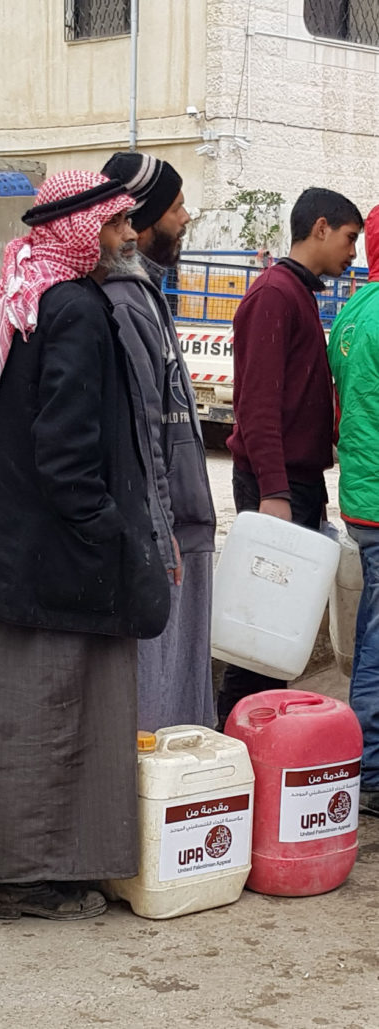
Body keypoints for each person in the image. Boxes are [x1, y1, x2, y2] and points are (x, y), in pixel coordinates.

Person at [0, 170, 170, 921]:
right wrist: (108, 531)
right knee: (47, 717)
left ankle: (31, 870)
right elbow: (67, 454)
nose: (128, 236)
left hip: (19, 548)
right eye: (115, 224)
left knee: (23, 715)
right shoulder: (72, 308)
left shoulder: (30, 295)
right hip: (54, 560)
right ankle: (23, 879)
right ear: (83, 229)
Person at [217, 186, 363, 728]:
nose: (353, 253)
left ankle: (258, 750)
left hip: (296, 484)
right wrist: (275, 492)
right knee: (256, 639)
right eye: (350, 239)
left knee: (278, 636)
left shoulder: (298, 292)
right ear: (320, 228)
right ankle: (233, 747)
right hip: (273, 487)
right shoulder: (274, 295)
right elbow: (256, 405)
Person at [100, 152, 216, 730]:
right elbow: (144, 430)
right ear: (138, 220)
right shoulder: (122, 303)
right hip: (159, 532)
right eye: (175, 207)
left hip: (177, 525)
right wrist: (162, 526)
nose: (186, 217)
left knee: (177, 687)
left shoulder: (145, 293)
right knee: (153, 700)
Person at [327, 203, 379, 814]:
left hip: (363, 501)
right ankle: (369, 773)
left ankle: (362, 763)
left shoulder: (355, 309)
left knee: (371, 634)